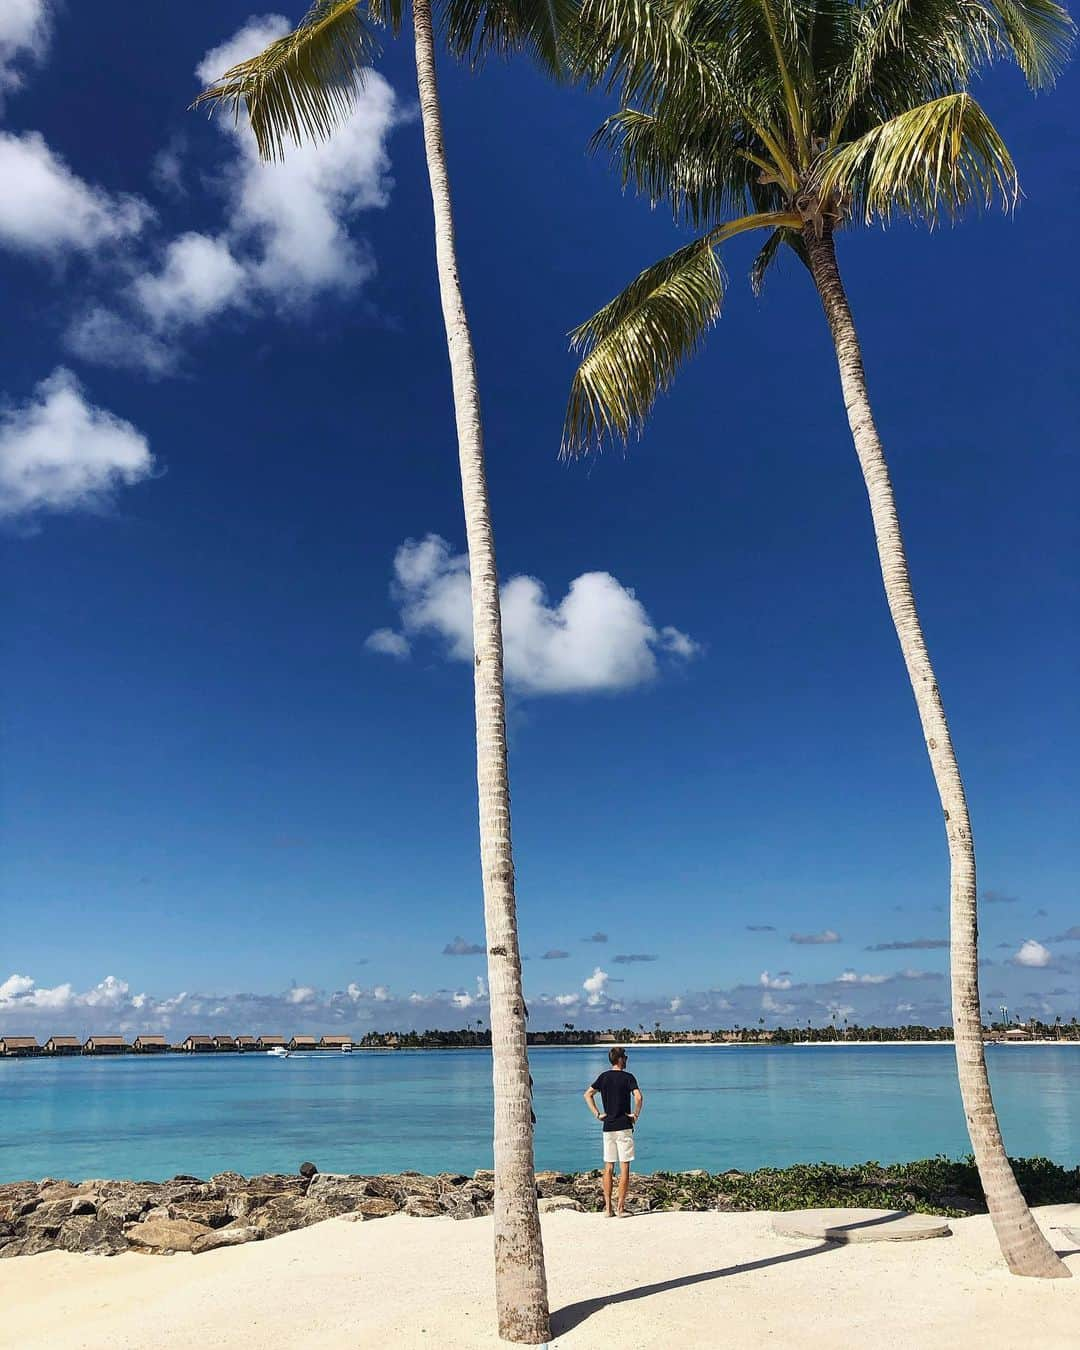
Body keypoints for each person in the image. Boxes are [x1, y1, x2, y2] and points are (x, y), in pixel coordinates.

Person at [584, 1046, 643, 1217]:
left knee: (608, 1167)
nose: (626, 1060)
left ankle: (608, 1208)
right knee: (624, 1168)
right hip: (624, 1126)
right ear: (620, 1059)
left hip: (608, 1126)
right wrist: (636, 1115)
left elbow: (588, 1094)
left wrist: (597, 1114)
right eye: (625, 1057)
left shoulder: (603, 1077)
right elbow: (638, 1097)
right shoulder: (628, 1077)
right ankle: (621, 1208)